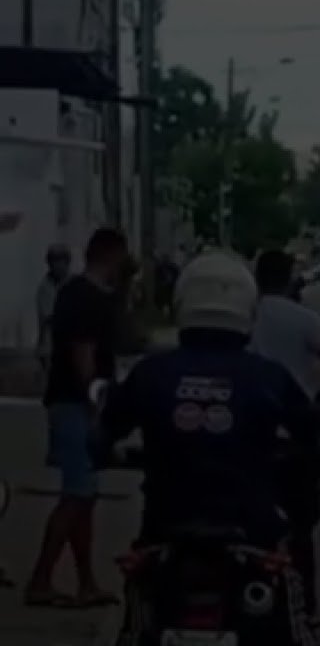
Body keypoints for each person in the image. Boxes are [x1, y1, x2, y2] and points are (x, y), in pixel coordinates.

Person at [98, 250, 320, 645]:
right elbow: (314, 432)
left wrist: (105, 451)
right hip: (251, 529)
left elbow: (103, 433)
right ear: (247, 308)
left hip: (165, 527)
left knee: (137, 619)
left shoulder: (152, 373)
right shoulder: (267, 376)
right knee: (290, 616)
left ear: (182, 302)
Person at [25, 228, 130, 608]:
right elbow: (83, 356)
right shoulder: (87, 298)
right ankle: (40, 579)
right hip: (75, 405)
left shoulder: (75, 293)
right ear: (111, 255)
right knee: (76, 496)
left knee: (85, 497)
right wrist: (97, 405)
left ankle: (86, 582)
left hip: (69, 402)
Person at [248, 250, 320, 624]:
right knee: (301, 527)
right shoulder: (305, 319)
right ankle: (304, 608)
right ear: (291, 279)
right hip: (296, 436)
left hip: (246, 435)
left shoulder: (244, 317)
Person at [36, 244, 72, 373]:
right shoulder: (45, 288)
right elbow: (50, 317)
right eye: (53, 260)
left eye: (60, 260)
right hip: (51, 348)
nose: (57, 265)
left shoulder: (73, 283)